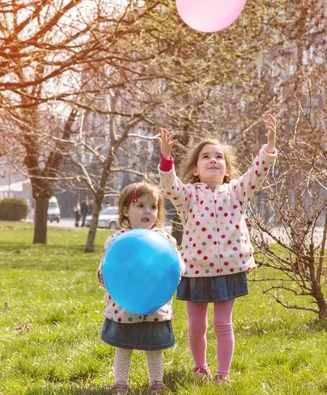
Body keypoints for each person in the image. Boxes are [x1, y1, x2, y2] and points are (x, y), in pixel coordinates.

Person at [156, 114, 278, 384]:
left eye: (219, 157)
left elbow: (257, 173)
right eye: (206, 157)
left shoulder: (236, 192)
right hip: (195, 270)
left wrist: (268, 148)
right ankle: (200, 366)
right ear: (196, 169)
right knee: (196, 325)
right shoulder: (187, 195)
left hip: (229, 269)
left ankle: (223, 374)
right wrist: (166, 159)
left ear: (227, 169)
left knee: (224, 324)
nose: (213, 160)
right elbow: (169, 186)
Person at [97, 182, 185, 394]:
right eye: (140, 205)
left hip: (155, 306)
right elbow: (107, 266)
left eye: (153, 206)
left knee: (154, 347)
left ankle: (156, 382)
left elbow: (175, 263)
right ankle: (120, 383)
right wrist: (102, 274)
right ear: (126, 210)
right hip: (124, 306)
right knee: (123, 346)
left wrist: (178, 272)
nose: (147, 211)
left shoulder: (165, 239)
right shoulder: (116, 240)